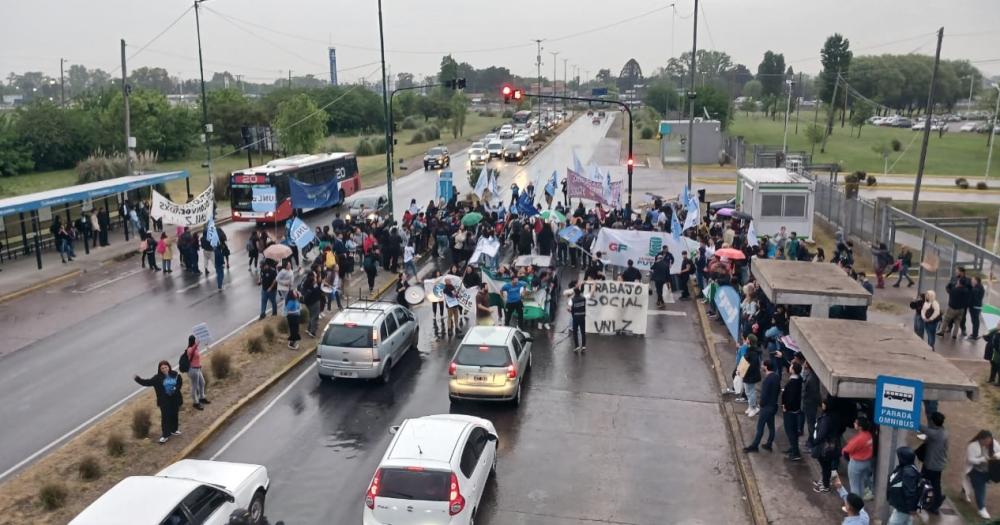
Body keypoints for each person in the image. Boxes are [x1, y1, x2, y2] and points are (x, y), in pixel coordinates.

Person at [134, 361, 183, 444]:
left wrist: (175, 389)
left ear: (169, 367)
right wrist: (138, 379)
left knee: (174, 414)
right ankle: (165, 435)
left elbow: (179, 383)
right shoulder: (157, 378)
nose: (164, 369)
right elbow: (147, 382)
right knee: (165, 417)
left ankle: (174, 430)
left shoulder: (175, 374)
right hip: (164, 401)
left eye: (166, 367)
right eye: (162, 368)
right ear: (160, 369)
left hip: (175, 399)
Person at [744, 360, 779, 453]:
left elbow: (764, 395)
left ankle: (754, 445)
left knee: (760, 427)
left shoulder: (767, 380)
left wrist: (760, 404)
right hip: (773, 406)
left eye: (763, 365)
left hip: (766, 407)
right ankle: (769, 444)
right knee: (771, 426)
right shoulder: (776, 377)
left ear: (766, 367)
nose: (762, 367)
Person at [965, 430, 1000, 519]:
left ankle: (963, 491)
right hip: (975, 471)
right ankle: (981, 509)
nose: (988, 443)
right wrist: (983, 459)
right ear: (981, 439)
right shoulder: (972, 446)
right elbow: (970, 460)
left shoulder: (993, 443)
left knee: (971, 484)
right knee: (980, 488)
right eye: (986, 441)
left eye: (990, 441)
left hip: (989, 470)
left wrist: (996, 455)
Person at [919, 411, 948, 514]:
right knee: (935, 484)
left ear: (933, 422)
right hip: (938, 464)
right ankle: (936, 499)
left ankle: (935, 502)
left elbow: (921, 427)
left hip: (931, 465)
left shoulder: (935, 434)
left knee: (926, 482)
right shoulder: (943, 431)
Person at [885, 446, 921, 524]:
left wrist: (911, 509)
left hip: (904, 508)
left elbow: (910, 492)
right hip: (902, 506)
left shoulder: (908, 473)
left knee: (892, 523)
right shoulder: (906, 467)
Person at [812, 398, 841, 493]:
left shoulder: (827, 419)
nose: (822, 405)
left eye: (824, 404)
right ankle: (824, 480)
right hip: (830, 445)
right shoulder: (834, 416)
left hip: (825, 446)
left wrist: (814, 442)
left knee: (825, 466)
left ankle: (825, 485)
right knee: (825, 466)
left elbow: (822, 433)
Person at [842, 417, 874, 499]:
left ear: (860, 427)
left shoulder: (859, 439)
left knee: (854, 486)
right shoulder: (869, 435)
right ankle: (860, 503)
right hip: (866, 462)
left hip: (856, 463)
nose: (854, 423)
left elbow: (846, 450)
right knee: (861, 484)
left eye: (856, 423)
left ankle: (854, 506)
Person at [781, 362, 803, 460]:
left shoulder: (793, 383)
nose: (789, 367)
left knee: (790, 431)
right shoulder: (798, 380)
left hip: (790, 410)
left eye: (791, 366)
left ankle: (795, 453)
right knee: (793, 431)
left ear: (793, 370)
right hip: (794, 409)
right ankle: (793, 448)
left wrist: (786, 406)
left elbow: (791, 397)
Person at [183, 335, 209, 410]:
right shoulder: (189, 349)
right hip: (192, 370)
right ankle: (195, 402)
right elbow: (191, 352)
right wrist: (196, 344)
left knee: (202, 383)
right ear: (192, 341)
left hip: (198, 369)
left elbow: (197, 358)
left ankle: (202, 397)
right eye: (194, 340)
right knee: (195, 387)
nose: (195, 341)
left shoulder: (196, 348)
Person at [801, 359, 822, 449]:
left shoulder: (812, 378)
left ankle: (812, 442)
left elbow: (814, 394)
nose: (804, 364)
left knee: (811, 423)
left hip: (810, 404)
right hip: (809, 403)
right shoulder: (811, 375)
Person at [569, 283, 587, 353]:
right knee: (583, 332)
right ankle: (584, 346)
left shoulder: (572, 300)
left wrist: (570, 310)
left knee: (575, 332)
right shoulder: (584, 298)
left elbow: (569, 308)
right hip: (582, 317)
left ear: (574, 293)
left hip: (575, 318)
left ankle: (577, 346)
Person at [969, 276, 985, 340]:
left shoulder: (978, 287)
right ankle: (974, 333)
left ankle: (975, 335)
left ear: (976, 280)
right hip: (975, 306)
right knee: (974, 320)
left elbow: (974, 296)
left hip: (975, 306)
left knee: (975, 321)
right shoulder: (978, 286)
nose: (971, 280)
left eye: (972, 279)